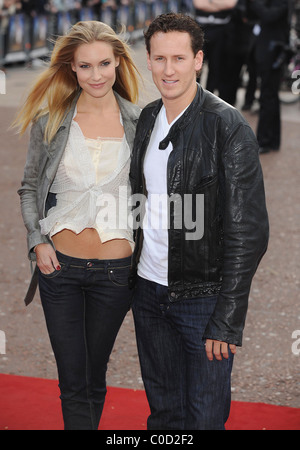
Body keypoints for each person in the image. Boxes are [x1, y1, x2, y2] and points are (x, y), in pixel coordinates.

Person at [129, 12, 269, 430]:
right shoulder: (148, 119)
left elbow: (249, 234)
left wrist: (226, 321)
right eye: (159, 59)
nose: (168, 69)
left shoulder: (228, 126)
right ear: (149, 61)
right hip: (149, 295)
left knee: (204, 419)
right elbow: (140, 202)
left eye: (178, 58)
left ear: (198, 60)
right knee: (164, 415)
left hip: (203, 299)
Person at [15, 20, 141, 430]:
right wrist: (38, 243)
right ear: (71, 67)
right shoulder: (51, 119)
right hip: (61, 268)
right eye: (85, 66)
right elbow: (29, 187)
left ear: (119, 62)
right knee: (73, 381)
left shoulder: (142, 122)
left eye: (104, 63)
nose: (96, 75)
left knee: (94, 377)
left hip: (116, 273)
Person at [248, 0, 290, 153]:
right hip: (264, 49)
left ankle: (265, 140)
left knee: (268, 96)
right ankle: (270, 140)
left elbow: (269, 15)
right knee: (269, 96)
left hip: (273, 51)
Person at [193, 0, 238, 93]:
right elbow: (199, 4)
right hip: (200, 29)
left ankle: (209, 97)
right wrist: (220, 4)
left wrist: (210, 2)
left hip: (221, 31)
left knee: (216, 65)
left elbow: (230, 4)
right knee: (196, 64)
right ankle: (193, 96)